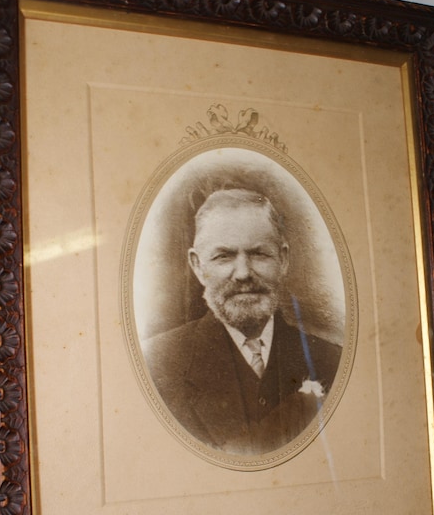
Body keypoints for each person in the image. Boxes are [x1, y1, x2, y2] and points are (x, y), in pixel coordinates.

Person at [141, 188, 342, 456]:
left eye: (259, 254)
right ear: (197, 266)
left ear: (283, 260)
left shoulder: (332, 361)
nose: (244, 273)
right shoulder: (156, 365)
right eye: (223, 256)